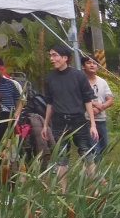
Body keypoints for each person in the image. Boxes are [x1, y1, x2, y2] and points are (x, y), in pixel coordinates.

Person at [41, 42, 97, 192]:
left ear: (65, 57)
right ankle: (62, 191)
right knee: (61, 157)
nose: (52, 59)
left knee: (86, 152)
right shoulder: (49, 78)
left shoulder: (78, 76)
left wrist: (92, 124)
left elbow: (88, 100)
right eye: (50, 56)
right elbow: (49, 103)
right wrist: (45, 125)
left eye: (55, 55)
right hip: (59, 122)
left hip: (78, 120)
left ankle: (95, 188)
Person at [83, 54, 113, 156]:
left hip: (101, 119)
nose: (92, 65)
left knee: (104, 146)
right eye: (88, 63)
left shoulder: (102, 82)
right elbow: (79, 99)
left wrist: (101, 107)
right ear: (83, 66)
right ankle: (94, 170)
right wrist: (95, 105)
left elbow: (110, 99)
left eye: (94, 63)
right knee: (94, 148)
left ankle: (100, 168)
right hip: (87, 120)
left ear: (98, 67)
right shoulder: (81, 81)